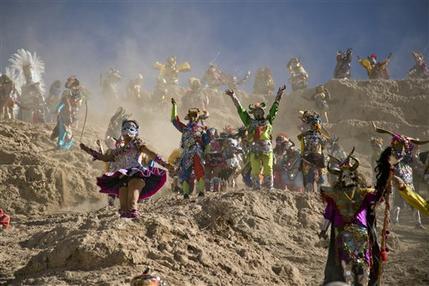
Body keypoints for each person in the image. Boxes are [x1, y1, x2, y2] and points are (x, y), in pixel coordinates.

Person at [80, 120, 173, 219]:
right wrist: (87, 149)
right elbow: (105, 158)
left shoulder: (138, 144)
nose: (127, 130)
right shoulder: (118, 151)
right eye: (125, 128)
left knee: (132, 206)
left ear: (136, 132)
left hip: (137, 175)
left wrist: (166, 165)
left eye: (131, 128)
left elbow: (152, 155)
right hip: (122, 179)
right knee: (124, 210)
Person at [320, 148, 385, 285]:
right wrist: (323, 230)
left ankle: (361, 282)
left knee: (361, 263)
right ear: (340, 178)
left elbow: (378, 197)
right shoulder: (334, 194)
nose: (346, 177)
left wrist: (385, 180)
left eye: (349, 174)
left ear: (354, 176)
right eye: (343, 175)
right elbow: (328, 214)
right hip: (342, 232)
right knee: (346, 263)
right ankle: (349, 281)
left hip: (360, 232)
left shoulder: (364, 193)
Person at [226, 85, 286, 190]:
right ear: (253, 113)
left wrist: (279, 94)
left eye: (260, 111)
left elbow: (274, 108)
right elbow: (240, 110)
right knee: (255, 169)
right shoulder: (249, 122)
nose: (258, 113)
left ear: (263, 112)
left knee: (268, 168)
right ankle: (256, 187)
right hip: (254, 148)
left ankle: (269, 187)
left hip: (267, 148)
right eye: (256, 112)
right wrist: (233, 96)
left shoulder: (269, 120)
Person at [171, 98, 209, 198]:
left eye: (194, 115)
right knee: (185, 174)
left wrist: (207, 151)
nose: (193, 117)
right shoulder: (184, 128)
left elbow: (206, 141)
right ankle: (186, 193)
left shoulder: (202, 128)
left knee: (199, 172)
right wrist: (174, 106)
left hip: (197, 151)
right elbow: (174, 120)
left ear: (197, 117)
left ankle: (201, 192)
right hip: (186, 153)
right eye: (191, 115)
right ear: (188, 117)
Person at [297, 110, 329, 192]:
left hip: (312, 156)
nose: (314, 126)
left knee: (318, 175)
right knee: (309, 175)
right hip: (310, 157)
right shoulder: (311, 134)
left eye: (315, 124)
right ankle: (312, 188)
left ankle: (317, 188)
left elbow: (324, 145)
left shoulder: (316, 135)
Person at [50, 76, 83, 150]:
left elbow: (79, 104)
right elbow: (62, 102)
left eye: (72, 83)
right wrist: (58, 109)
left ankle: (65, 145)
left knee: (67, 130)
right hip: (64, 113)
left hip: (72, 115)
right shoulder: (66, 92)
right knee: (63, 130)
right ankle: (60, 145)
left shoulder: (78, 93)